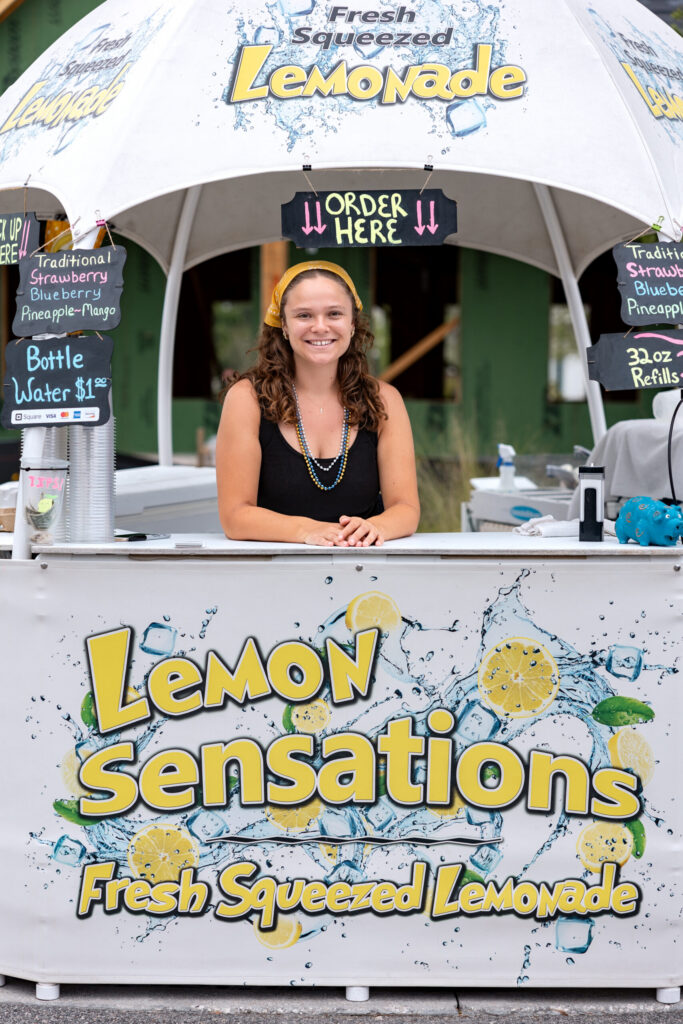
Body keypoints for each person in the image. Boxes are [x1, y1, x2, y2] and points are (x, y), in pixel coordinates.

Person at [216, 260, 419, 546]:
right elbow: (235, 516)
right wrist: (304, 531)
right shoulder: (246, 399)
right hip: (272, 574)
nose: (320, 327)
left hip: (364, 573)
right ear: (283, 325)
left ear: (352, 324)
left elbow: (406, 509)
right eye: (304, 315)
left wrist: (375, 527)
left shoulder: (384, 399)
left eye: (334, 313)